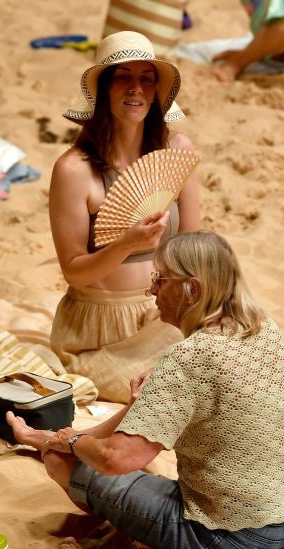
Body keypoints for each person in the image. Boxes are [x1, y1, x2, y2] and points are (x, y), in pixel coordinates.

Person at [7, 230, 284, 549]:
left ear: (192, 289)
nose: (152, 290)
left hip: (236, 534)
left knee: (62, 462)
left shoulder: (189, 357)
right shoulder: (262, 328)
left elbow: (116, 459)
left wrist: (70, 442)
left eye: (160, 280)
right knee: (73, 450)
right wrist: (54, 437)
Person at [50, 30, 201, 403]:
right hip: (101, 329)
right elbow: (74, 271)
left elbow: (194, 247)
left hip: (168, 312)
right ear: (103, 89)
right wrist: (126, 244)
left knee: (226, 362)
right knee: (171, 389)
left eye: (146, 79)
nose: (136, 89)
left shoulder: (176, 149)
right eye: (123, 77)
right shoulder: (74, 170)